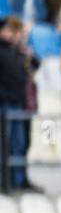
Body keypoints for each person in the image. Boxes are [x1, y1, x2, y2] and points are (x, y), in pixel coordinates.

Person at [0, 17, 36, 191]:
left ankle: (18, 182)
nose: (11, 34)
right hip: (5, 105)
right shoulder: (4, 52)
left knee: (19, 145)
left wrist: (24, 50)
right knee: (4, 147)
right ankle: (5, 182)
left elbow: (35, 64)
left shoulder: (17, 52)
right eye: (8, 30)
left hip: (19, 106)